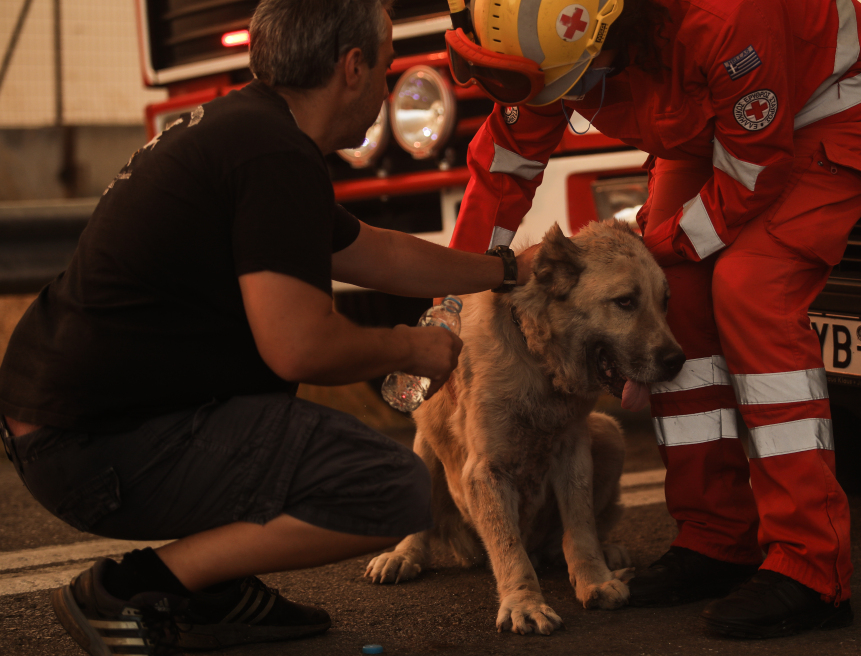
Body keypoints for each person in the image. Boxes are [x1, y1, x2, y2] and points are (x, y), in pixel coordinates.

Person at [0, 1, 529, 654]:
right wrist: (410, 347)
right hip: (87, 450)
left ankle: (220, 591)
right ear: (353, 67)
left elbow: (381, 254)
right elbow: (299, 347)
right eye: (388, 69)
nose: (388, 88)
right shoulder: (273, 155)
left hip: (66, 428)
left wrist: (502, 270)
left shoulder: (246, 129)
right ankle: (136, 588)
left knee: (270, 404)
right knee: (393, 490)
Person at [441, 0, 861, 639]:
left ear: (611, 32)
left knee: (750, 293)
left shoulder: (729, 20)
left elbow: (752, 173)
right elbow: (504, 166)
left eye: (569, 83)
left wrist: (642, 255)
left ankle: (810, 565)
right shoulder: (550, 32)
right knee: (676, 301)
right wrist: (448, 300)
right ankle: (716, 538)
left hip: (824, 112)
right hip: (714, 125)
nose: (563, 100)